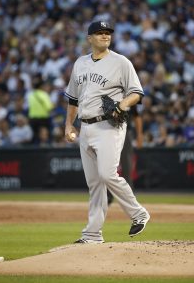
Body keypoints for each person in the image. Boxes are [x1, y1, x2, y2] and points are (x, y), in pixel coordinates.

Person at [65, 21, 150, 244]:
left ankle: (138, 213)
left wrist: (122, 105)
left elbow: (137, 93)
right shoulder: (80, 63)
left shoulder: (121, 62)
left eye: (107, 33)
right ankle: (92, 235)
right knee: (94, 183)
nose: (105, 36)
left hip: (109, 126)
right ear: (89, 38)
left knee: (106, 173)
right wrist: (68, 124)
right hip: (85, 126)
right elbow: (73, 99)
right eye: (99, 33)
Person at [107, 105, 143, 205]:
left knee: (127, 166)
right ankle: (107, 196)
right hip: (108, 133)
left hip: (125, 132)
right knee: (107, 167)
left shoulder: (130, 96)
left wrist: (140, 134)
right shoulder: (107, 95)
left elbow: (137, 116)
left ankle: (129, 198)